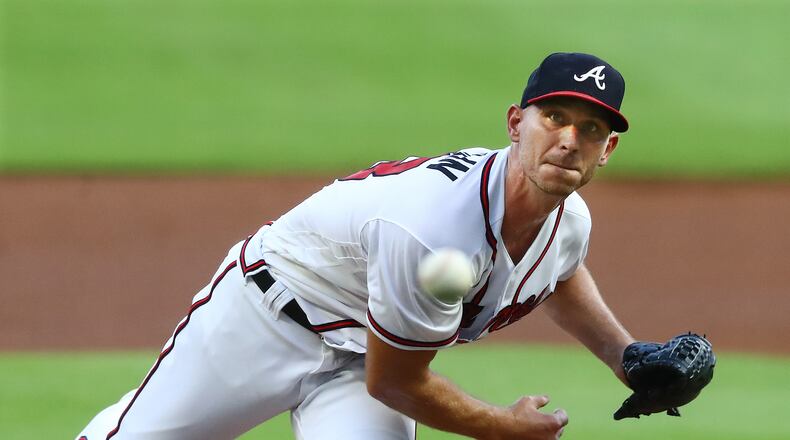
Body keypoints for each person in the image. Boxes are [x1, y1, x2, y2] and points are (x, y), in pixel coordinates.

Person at [78, 52, 636, 440]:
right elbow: (395, 381)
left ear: (606, 148)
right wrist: (500, 426)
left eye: (589, 129)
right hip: (264, 321)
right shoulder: (435, 229)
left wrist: (627, 359)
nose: (568, 140)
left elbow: (556, 272)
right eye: (555, 117)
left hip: (365, 357)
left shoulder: (568, 221)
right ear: (516, 122)